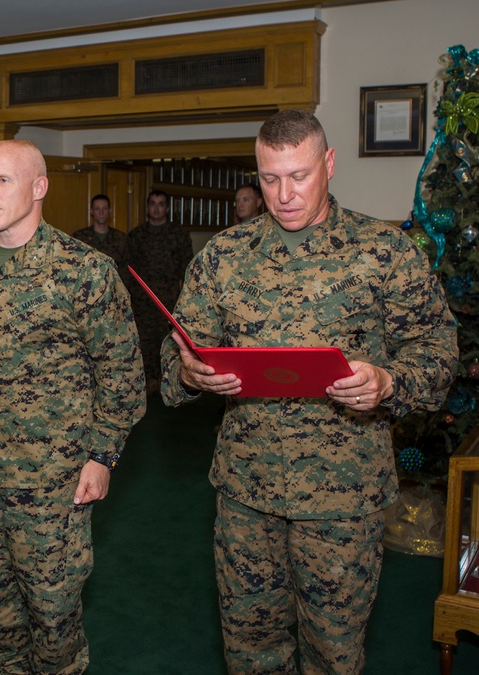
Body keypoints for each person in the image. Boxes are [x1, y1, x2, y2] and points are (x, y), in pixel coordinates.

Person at [160, 109, 458, 674]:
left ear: (329, 164)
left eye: (298, 175)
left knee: (334, 653)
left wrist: (389, 382)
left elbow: (440, 353)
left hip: (343, 500)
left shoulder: (384, 252)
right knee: (250, 651)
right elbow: (175, 352)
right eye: (269, 179)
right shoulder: (223, 257)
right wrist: (188, 372)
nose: (283, 194)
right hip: (246, 492)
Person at [0, 139, 146, 674]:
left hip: (54, 480)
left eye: (2, 180)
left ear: (39, 187)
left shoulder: (84, 271)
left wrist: (102, 455)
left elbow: (122, 372)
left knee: (53, 618)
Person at [128, 190, 194, 392]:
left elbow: (188, 269)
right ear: (148, 207)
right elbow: (128, 269)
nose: (156, 208)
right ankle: (147, 384)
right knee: (145, 344)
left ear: (166, 208)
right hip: (143, 302)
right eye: (153, 204)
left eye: (161, 204)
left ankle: (171, 383)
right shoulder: (136, 235)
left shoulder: (178, 234)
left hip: (169, 300)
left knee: (170, 344)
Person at [72, 193, 130, 287]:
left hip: (113, 291)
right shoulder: (80, 238)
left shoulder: (121, 238)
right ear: (91, 211)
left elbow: (125, 272)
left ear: (110, 211)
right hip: (87, 291)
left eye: (104, 209)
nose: (101, 212)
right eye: (97, 209)